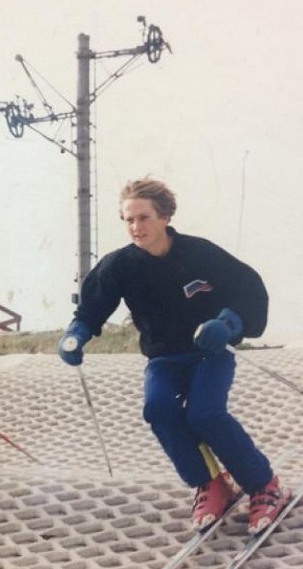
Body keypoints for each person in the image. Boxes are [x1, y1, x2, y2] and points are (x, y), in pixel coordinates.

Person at [58, 178, 290, 534]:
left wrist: (227, 323)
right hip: (164, 358)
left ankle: (264, 485)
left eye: (144, 217)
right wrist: (76, 335)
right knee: (159, 409)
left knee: (206, 414)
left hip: (209, 352)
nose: (136, 227)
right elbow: (91, 309)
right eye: (129, 219)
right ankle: (211, 485)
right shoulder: (119, 266)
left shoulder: (200, 253)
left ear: (165, 216)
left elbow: (249, 289)